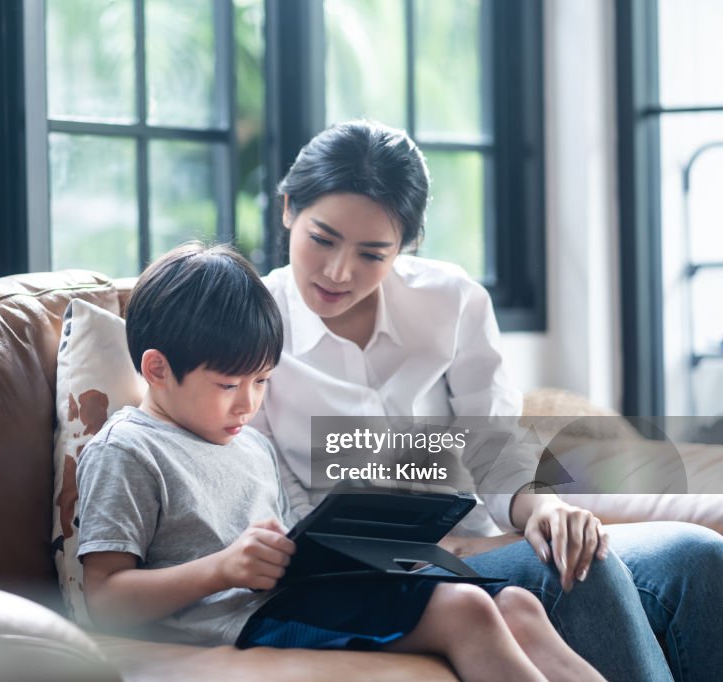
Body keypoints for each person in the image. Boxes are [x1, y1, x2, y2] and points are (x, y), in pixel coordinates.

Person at [252, 119, 723, 681]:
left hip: (483, 543)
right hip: (363, 575)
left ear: (406, 245)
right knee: (576, 569)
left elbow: (495, 444)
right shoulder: (252, 325)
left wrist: (541, 508)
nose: (338, 271)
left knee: (696, 557)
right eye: (322, 239)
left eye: (372, 253)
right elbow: (268, 495)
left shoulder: (451, 302)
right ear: (288, 209)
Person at [75, 242, 605, 682]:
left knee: (519, 606)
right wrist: (221, 569)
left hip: (302, 597)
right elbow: (106, 598)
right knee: (464, 611)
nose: (248, 404)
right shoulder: (127, 450)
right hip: (244, 619)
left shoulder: (249, 444)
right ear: (158, 368)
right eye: (229, 385)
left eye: (262, 382)